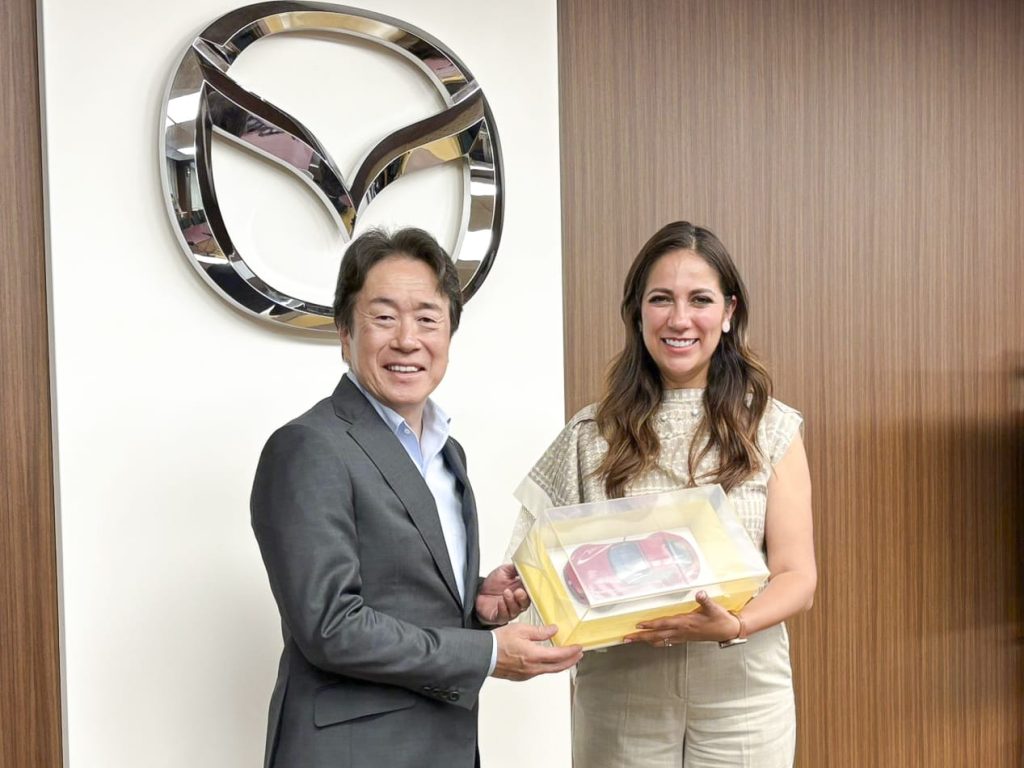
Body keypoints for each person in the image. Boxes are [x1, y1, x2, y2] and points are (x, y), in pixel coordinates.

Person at [251, 227, 582, 768]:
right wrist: (488, 653)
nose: (408, 340)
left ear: (449, 333)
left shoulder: (449, 453)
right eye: (384, 317)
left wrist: (475, 605)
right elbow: (330, 626)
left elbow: (405, 592)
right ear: (344, 333)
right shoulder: (308, 447)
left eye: (428, 319)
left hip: (444, 746)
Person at [509, 221, 816, 767]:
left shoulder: (771, 427)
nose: (679, 319)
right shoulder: (589, 433)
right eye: (660, 299)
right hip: (621, 695)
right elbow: (534, 570)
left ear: (729, 312)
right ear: (637, 312)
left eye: (700, 299)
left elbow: (797, 576)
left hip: (744, 694)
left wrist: (734, 626)